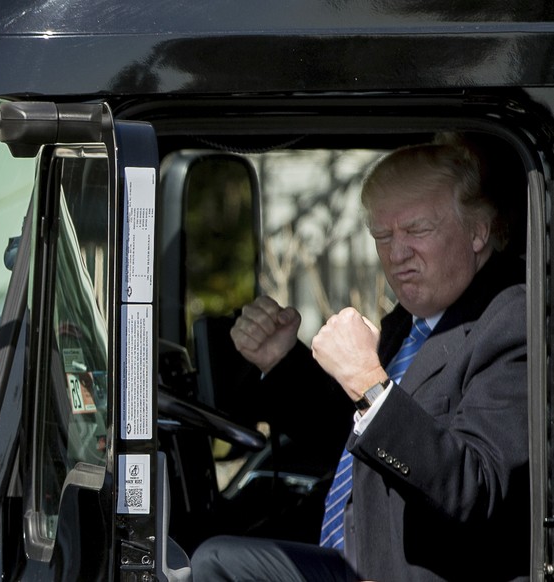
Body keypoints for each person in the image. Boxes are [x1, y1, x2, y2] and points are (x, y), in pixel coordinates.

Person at [191, 137, 528, 581]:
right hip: (356, 551)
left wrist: (369, 381)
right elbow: (353, 441)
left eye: (417, 231)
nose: (396, 253)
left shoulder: (511, 318)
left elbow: (475, 487)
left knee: (217, 563)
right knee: (209, 551)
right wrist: (281, 360)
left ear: (478, 231)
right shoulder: (410, 321)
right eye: (382, 236)